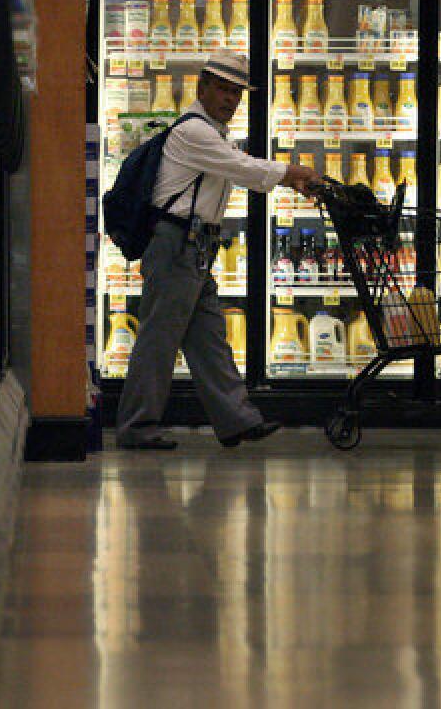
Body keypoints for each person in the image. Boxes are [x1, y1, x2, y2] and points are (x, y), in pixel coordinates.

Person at [116, 49, 320, 450]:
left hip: (193, 247)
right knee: (159, 338)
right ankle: (137, 427)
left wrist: (285, 177)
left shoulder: (213, 135)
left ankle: (236, 420)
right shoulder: (194, 132)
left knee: (209, 337)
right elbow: (244, 169)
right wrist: (293, 173)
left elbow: (238, 166)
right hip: (175, 245)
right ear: (202, 88)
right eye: (223, 90)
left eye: (236, 94)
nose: (230, 100)